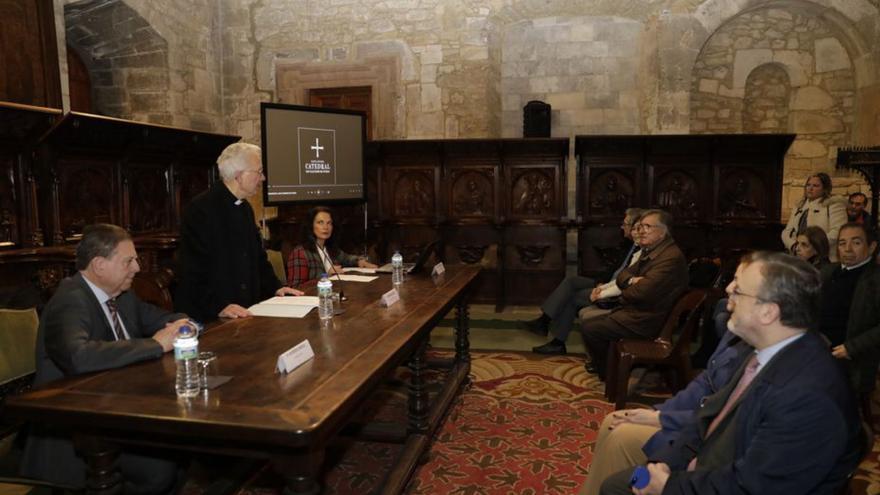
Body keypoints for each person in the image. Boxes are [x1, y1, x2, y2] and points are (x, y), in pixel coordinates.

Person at [601, 251, 863, 495]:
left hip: (721, 481)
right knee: (622, 482)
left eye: (737, 289)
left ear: (768, 312)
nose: (727, 292)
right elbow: (707, 419)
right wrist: (664, 463)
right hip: (704, 467)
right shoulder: (764, 352)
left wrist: (669, 486)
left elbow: (754, 485)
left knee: (616, 487)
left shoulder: (808, 396)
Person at [20, 224, 188, 493]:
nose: (137, 268)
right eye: (129, 261)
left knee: (179, 451)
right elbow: (79, 356)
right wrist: (155, 344)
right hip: (74, 433)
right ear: (99, 265)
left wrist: (186, 324)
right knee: (161, 468)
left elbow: (161, 319)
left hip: (115, 411)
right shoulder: (70, 300)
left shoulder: (121, 296)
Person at [579, 328, 751, 495]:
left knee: (621, 437)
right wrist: (658, 413)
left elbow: (720, 422)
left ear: (768, 311)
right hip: (691, 434)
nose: (728, 300)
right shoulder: (738, 333)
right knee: (613, 420)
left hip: (705, 446)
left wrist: (663, 419)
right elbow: (704, 383)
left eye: (738, 296)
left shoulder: (765, 371)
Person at [174, 142, 302, 322]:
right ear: (239, 175)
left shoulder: (245, 208)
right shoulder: (200, 210)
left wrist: (276, 287)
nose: (263, 177)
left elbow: (258, 259)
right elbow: (192, 270)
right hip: (211, 315)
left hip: (244, 311)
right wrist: (219, 306)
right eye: (259, 171)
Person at [580, 209, 688, 378]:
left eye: (647, 227)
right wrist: (631, 281)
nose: (641, 231)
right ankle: (613, 371)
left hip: (647, 320)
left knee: (591, 329)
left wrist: (627, 290)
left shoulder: (669, 258)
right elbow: (623, 275)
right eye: (640, 227)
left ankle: (611, 376)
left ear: (663, 231)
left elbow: (639, 293)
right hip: (637, 313)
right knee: (590, 322)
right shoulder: (651, 250)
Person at [528, 208, 643, 355]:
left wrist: (604, 288)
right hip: (608, 282)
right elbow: (614, 269)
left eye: (625, 224)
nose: (622, 227)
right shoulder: (629, 244)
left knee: (573, 297)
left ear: (635, 227)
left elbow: (625, 279)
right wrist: (601, 282)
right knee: (571, 281)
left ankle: (556, 341)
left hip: (615, 291)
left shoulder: (640, 249)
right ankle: (544, 321)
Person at [820, 222, 880, 400]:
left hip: (850, 359)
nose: (847, 249)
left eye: (856, 242)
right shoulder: (827, 272)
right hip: (817, 348)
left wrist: (850, 348)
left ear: (871, 246)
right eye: (841, 243)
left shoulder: (875, 279)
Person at [287, 206, 377, 288]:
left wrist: (360, 261)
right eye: (320, 223)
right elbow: (295, 288)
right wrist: (326, 276)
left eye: (329, 223)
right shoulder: (300, 253)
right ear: (310, 226)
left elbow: (347, 258)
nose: (326, 227)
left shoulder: (329, 248)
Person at [781, 172, 846, 262]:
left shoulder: (833, 204)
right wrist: (793, 245)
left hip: (823, 257)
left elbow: (838, 231)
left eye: (815, 186)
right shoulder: (800, 205)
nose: (810, 188)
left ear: (825, 189)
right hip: (798, 255)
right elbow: (787, 231)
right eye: (808, 185)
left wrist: (813, 246)